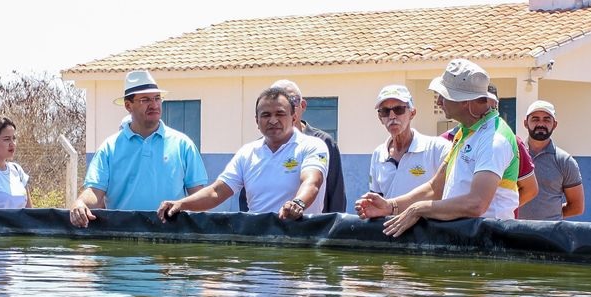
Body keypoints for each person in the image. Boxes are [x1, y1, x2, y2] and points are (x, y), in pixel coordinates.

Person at [355, 59, 519, 237]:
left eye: (445, 95)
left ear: (465, 101)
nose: (439, 101)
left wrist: (418, 209)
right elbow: (435, 187)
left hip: (487, 245)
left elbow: (476, 204)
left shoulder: (494, 139)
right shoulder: (466, 132)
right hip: (465, 240)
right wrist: (390, 206)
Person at [158, 87, 328, 221]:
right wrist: (181, 204)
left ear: (293, 117)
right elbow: (217, 192)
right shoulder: (247, 153)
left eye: (280, 114)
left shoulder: (312, 146)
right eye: (266, 115)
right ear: (257, 121)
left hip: (301, 243)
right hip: (259, 246)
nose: (273, 120)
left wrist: (298, 204)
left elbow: (312, 182)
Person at [71, 70, 208, 227]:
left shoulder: (183, 145)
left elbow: (199, 197)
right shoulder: (109, 148)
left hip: (170, 244)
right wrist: (80, 203)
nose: (154, 105)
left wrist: (182, 205)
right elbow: (95, 192)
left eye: (157, 98)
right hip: (122, 241)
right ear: (128, 106)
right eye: (145, 100)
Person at [441, 84, 538, 213]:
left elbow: (529, 188)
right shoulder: (451, 137)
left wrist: (502, 208)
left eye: (493, 105)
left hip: (485, 228)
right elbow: (438, 185)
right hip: (457, 227)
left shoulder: (505, 141)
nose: (489, 109)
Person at [256, 79, 345, 212]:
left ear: (302, 105)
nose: (285, 106)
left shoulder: (323, 142)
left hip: (313, 228)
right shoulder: (258, 149)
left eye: (292, 101)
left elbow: (335, 194)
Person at [366, 84, 449, 198]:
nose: (392, 116)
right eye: (385, 111)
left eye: (398, 109)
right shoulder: (378, 154)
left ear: (412, 113)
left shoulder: (437, 149)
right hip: (389, 217)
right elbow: (376, 197)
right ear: (380, 118)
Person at [517, 100, 585, 221]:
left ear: (555, 124)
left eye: (547, 119)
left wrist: (550, 216)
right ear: (525, 123)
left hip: (549, 236)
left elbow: (576, 206)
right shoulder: (513, 155)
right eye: (535, 119)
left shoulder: (565, 161)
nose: (541, 124)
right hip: (514, 233)